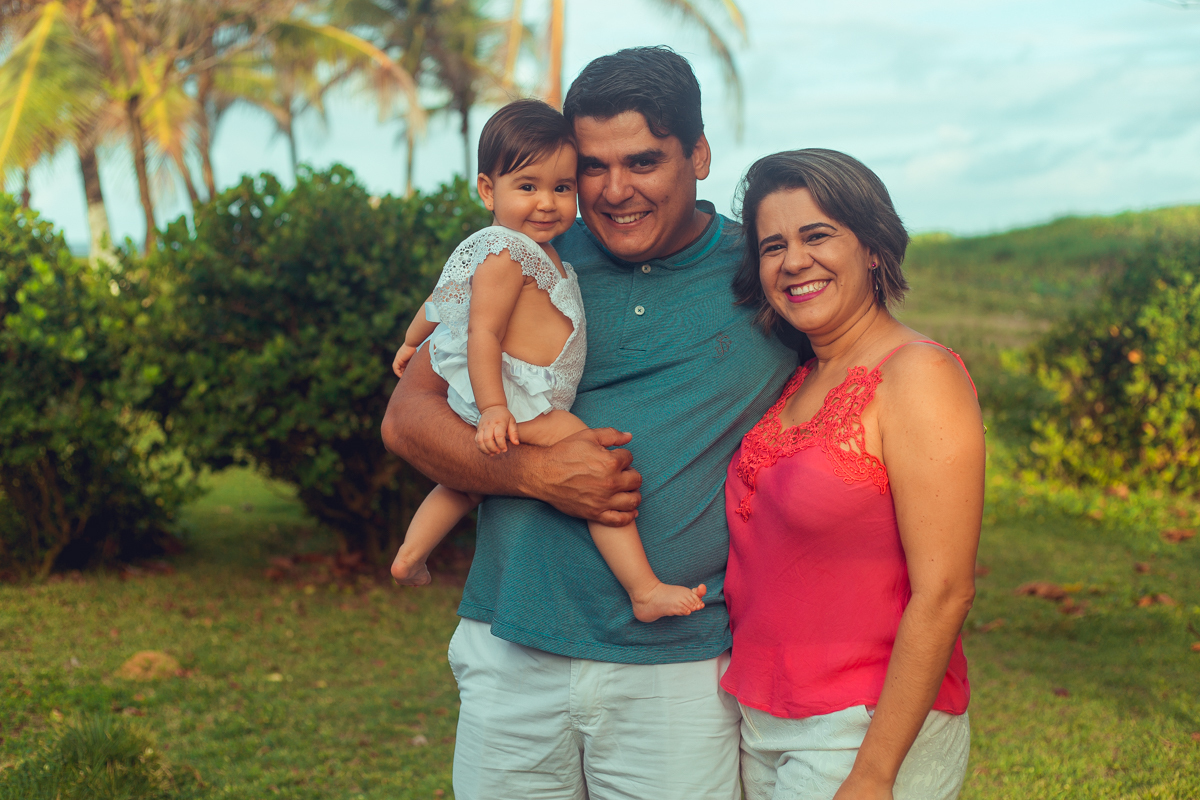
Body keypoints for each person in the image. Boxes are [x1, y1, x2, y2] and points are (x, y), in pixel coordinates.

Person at [381, 47, 797, 799]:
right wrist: (540, 474)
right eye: (592, 167)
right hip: (513, 645)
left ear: (698, 155)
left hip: (679, 663)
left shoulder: (761, 271)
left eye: (642, 162)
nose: (612, 192)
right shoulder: (528, 255)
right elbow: (409, 419)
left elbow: (867, 357)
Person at [722, 149, 985, 800]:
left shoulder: (918, 375)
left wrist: (873, 773)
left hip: (864, 727)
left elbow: (946, 590)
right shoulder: (797, 380)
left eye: (818, 235)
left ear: (871, 247)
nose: (793, 261)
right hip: (762, 716)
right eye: (773, 244)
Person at [389, 99, 706, 622]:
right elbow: (482, 332)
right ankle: (643, 589)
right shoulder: (506, 253)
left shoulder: (520, 246)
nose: (547, 203)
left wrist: (409, 341)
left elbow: (443, 297)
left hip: (516, 395)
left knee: (461, 485)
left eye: (561, 188)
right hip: (521, 401)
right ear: (488, 190)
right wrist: (494, 409)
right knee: (598, 472)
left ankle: (409, 556)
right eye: (527, 187)